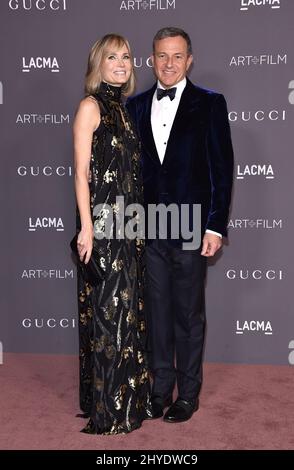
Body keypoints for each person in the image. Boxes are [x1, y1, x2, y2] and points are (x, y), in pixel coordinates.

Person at [127, 27, 234, 423]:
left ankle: (188, 395)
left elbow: (222, 171)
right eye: (161, 56)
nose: (169, 64)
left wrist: (215, 226)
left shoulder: (209, 104)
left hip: (191, 225)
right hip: (147, 225)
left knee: (188, 315)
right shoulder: (134, 106)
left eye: (177, 56)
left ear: (189, 60)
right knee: (156, 314)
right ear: (151, 59)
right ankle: (159, 392)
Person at [73, 33, 152, 435]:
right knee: (108, 316)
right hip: (103, 228)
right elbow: (81, 174)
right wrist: (87, 228)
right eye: (112, 57)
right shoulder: (90, 107)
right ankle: (109, 409)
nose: (121, 63)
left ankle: (130, 398)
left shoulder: (124, 110)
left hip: (129, 227)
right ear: (97, 65)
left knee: (130, 314)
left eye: (126, 57)